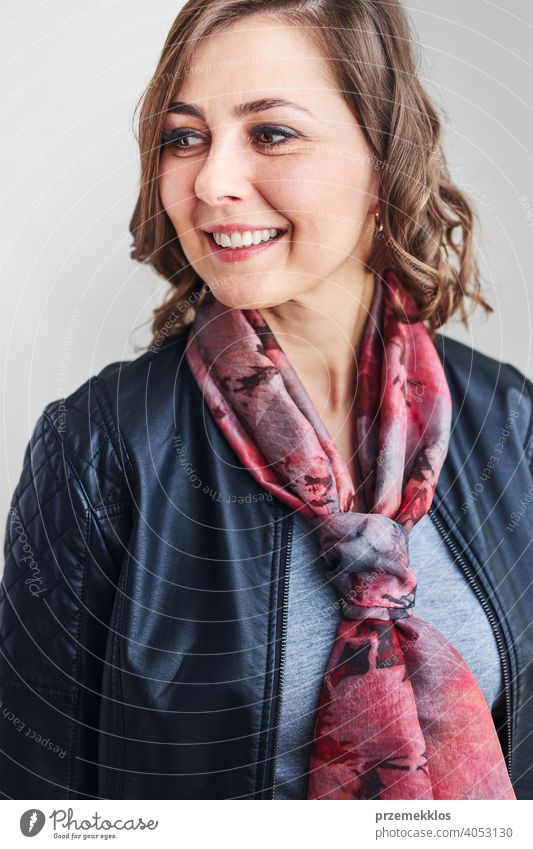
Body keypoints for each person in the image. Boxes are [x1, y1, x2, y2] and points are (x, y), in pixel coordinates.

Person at [1, 0, 532, 801]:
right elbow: (31, 790)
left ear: (383, 163)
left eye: (270, 133)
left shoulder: (511, 421)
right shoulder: (99, 442)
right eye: (185, 137)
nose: (211, 181)